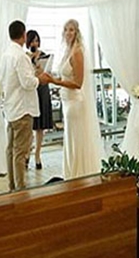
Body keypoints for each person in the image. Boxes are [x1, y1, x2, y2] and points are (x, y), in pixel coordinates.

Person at [0, 20, 51, 191]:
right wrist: (39, 79)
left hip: (11, 108)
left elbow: (0, 79)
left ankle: (12, 185)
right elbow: (27, 82)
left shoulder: (6, 54)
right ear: (24, 35)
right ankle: (20, 188)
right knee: (20, 152)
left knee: (10, 150)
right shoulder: (20, 56)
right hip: (22, 109)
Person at [50, 19, 104, 179]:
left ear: (77, 32)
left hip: (75, 102)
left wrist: (55, 82)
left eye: (71, 30)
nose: (68, 33)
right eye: (66, 29)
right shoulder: (67, 51)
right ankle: (71, 172)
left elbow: (78, 83)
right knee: (70, 139)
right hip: (66, 101)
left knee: (76, 139)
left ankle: (79, 173)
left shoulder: (77, 52)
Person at [26, 30, 54, 170]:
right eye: (32, 41)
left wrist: (41, 69)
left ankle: (37, 154)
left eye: (36, 41)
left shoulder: (43, 55)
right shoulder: (24, 57)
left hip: (42, 89)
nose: (35, 43)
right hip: (31, 89)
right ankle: (27, 154)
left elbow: (48, 73)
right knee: (29, 124)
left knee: (40, 126)